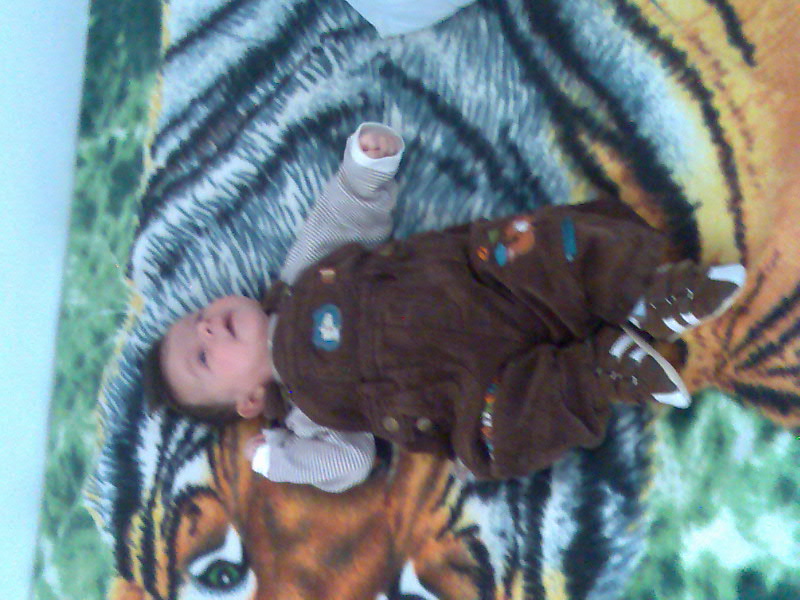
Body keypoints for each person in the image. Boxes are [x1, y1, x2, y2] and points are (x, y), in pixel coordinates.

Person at [143, 122, 746, 491]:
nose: (209, 327)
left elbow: (339, 216)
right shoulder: (303, 412)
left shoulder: (299, 280)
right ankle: (600, 370)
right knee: (499, 440)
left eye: (198, 318)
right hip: (465, 392)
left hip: (474, 278)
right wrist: (282, 461)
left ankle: (645, 293)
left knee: (540, 246)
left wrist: (364, 169)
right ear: (250, 401)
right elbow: (349, 463)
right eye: (203, 356)